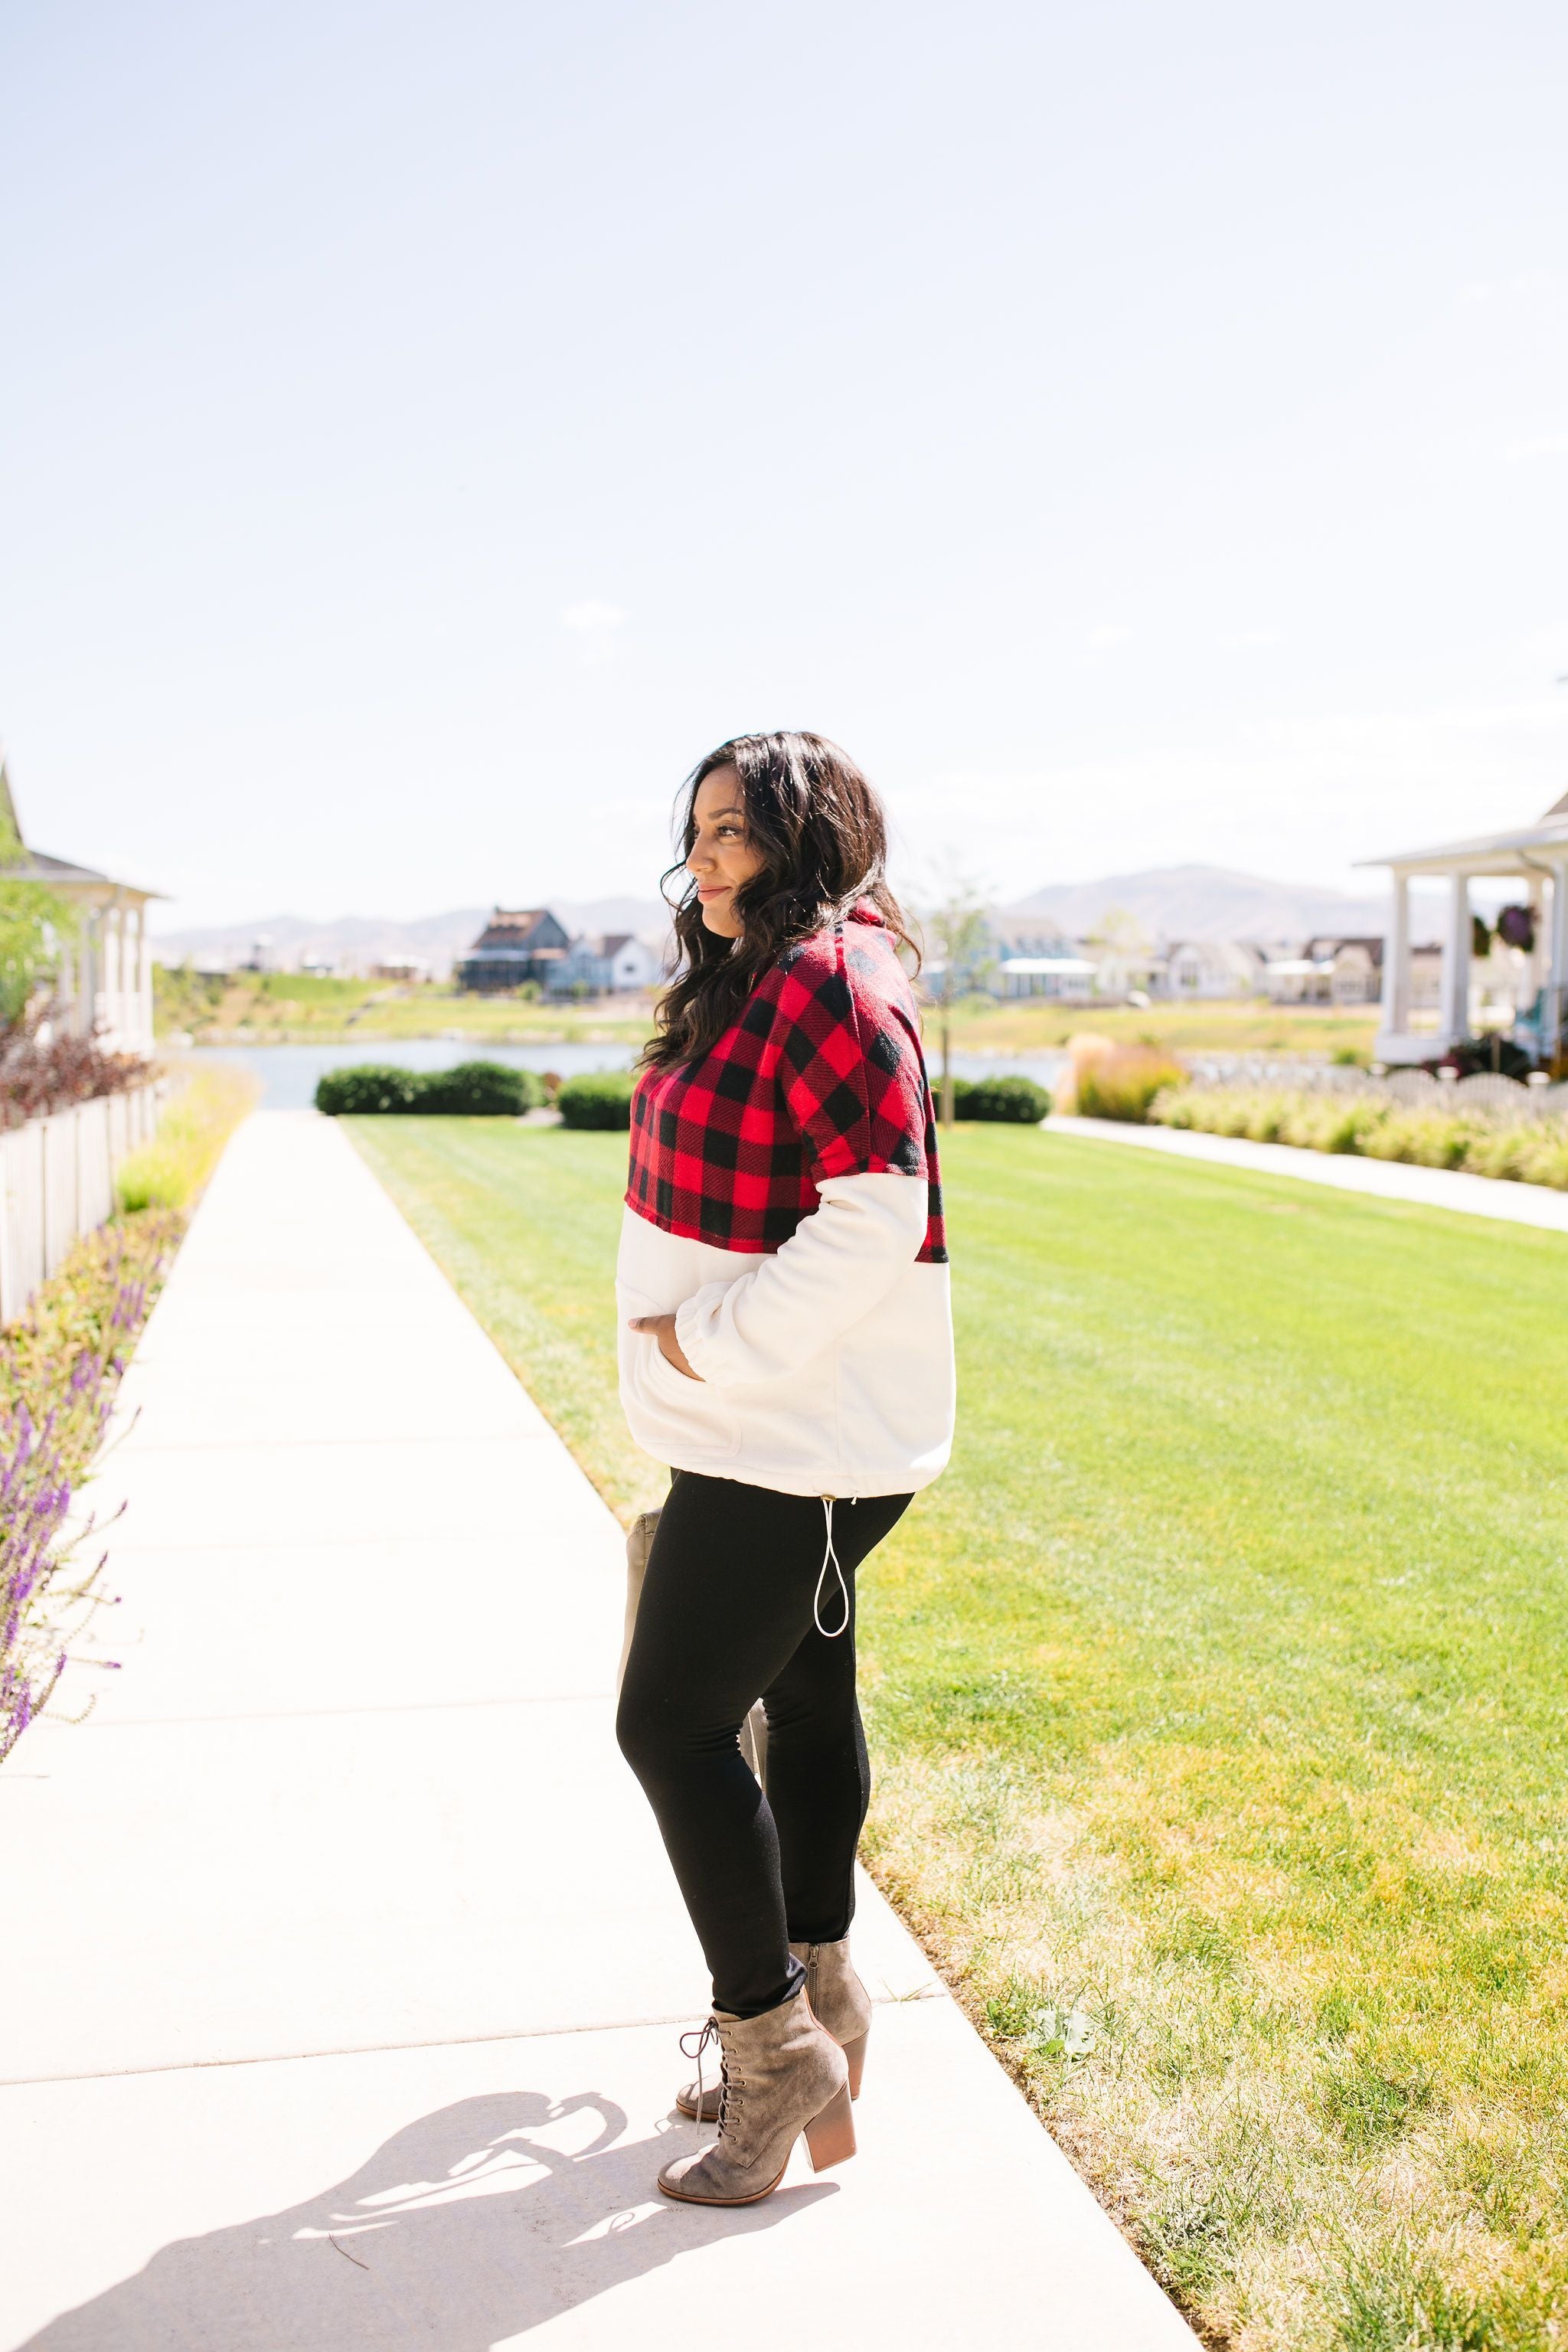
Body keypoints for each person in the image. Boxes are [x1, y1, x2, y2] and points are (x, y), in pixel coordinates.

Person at [614, 730, 956, 2206]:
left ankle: (774, 2048)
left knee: (671, 1727)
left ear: (811, 841)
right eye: (697, 831)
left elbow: (879, 1207)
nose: (708, 858)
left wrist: (716, 1344)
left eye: (739, 833)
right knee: (800, 1696)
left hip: (785, 1433)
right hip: (784, 1428)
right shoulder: (767, 972)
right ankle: (826, 1996)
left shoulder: (831, 978)